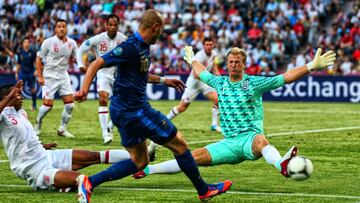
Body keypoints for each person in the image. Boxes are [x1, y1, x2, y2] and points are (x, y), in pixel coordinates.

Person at [74, 9, 232, 203]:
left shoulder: (143, 46)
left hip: (124, 111)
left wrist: (166, 81)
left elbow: (140, 74)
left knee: (140, 161)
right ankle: (203, 190)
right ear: (155, 27)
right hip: (134, 110)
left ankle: (89, 182)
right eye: (161, 29)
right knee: (180, 144)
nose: (161, 34)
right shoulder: (130, 46)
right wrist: (83, 89)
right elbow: (96, 63)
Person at [133, 46, 336, 180]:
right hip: (229, 143)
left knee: (261, 141)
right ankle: (148, 170)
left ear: (244, 64)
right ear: (227, 63)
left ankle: (282, 165)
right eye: (230, 61)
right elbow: (201, 70)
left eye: (237, 62)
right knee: (192, 157)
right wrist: (192, 59)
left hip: (250, 139)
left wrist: (311, 66)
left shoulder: (254, 83)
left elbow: (285, 77)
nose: (233, 65)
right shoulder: (219, 82)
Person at [0, 82, 131, 195]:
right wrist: (10, 97)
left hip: (46, 155)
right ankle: (50, 185)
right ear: (5, 97)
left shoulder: (21, 112)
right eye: (17, 95)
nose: (21, 97)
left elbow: (23, 137)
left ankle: (138, 157)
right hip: (35, 169)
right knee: (82, 180)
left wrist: (42, 145)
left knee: (93, 156)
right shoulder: (4, 115)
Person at [147, 37, 221, 161]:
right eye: (207, 44)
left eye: (210, 44)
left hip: (204, 82)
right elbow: (197, 74)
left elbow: (214, 68)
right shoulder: (199, 56)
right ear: (203, 45)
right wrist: (211, 79)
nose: (209, 46)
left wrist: (218, 77)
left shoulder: (213, 54)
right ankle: (166, 119)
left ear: (213, 45)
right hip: (194, 82)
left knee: (218, 100)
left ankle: (214, 124)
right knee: (182, 107)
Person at [76, 14, 127, 144]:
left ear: (118, 25)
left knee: (122, 106)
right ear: (106, 25)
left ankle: (110, 126)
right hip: (103, 73)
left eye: (115, 25)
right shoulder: (99, 39)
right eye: (110, 25)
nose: (113, 27)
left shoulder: (123, 39)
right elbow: (81, 48)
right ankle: (105, 134)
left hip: (119, 75)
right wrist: (81, 65)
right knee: (103, 98)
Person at [34, 19, 78, 138]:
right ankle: (38, 124)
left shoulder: (72, 43)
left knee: (70, 105)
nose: (61, 29)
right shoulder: (48, 42)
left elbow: (77, 57)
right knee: (48, 106)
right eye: (59, 26)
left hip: (63, 75)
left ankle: (62, 129)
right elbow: (38, 59)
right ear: (55, 29)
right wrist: (39, 76)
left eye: (64, 26)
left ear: (66, 28)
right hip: (49, 76)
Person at [15, 38, 37, 111]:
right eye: (25, 42)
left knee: (33, 90)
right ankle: (18, 106)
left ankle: (34, 105)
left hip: (31, 73)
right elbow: (18, 64)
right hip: (23, 73)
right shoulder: (20, 52)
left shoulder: (32, 52)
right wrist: (16, 73)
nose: (26, 44)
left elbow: (36, 62)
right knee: (19, 90)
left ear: (29, 44)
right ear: (23, 44)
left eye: (28, 42)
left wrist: (36, 70)